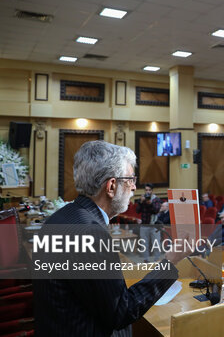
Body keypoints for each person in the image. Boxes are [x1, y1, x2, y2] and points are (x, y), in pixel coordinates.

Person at [34, 140, 189, 336]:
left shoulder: (60, 217)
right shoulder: (91, 233)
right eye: (131, 179)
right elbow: (122, 312)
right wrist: (171, 261)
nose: (134, 187)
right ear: (111, 186)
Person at [136, 182, 162, 262]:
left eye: (149, 190)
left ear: (152, 191)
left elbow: (156, 210)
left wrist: (150, 204)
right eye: (146, 190)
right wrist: (140, 202)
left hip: (154, 226)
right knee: (144, 244)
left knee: (156, 244)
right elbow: (137, 211)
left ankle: (157, 261)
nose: (147, 192)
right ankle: (145, 260)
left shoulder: (156, 199)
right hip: (144, 225)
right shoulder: (142, 199)